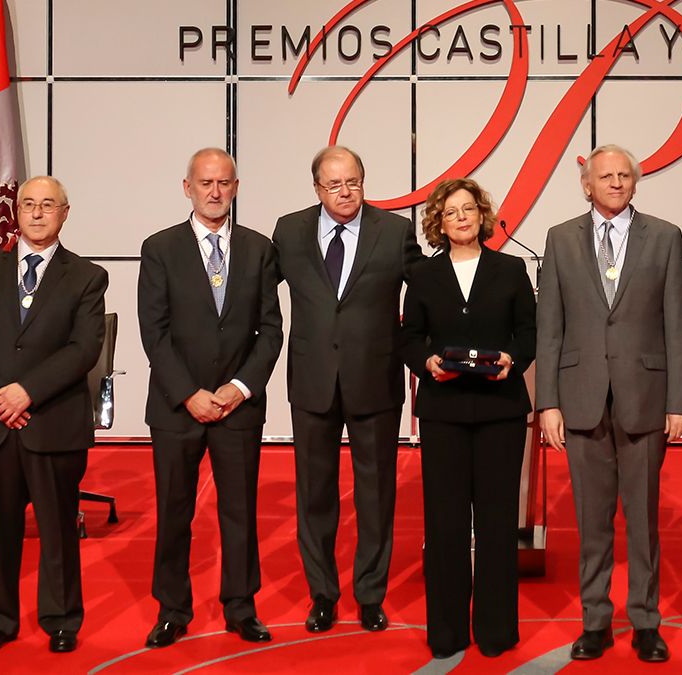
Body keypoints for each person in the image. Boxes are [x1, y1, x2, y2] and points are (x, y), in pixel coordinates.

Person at [536, 144, 682, 663]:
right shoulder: (559, 239)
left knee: (644, 519)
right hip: (580, 399)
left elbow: (677, 326)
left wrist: (680, 400)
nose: (617, 183)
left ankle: (646, 621)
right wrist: (548, 403)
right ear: (587, 184)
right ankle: (595, 620)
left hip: (645, 398)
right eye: (606, 176)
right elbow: (550, 329)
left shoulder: (666, 237)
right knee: (591, 519)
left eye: (625, 175)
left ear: (635, 182)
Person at [0, 176, 108, 655]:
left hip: (53, 420)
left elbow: (84, 348)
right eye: (28, 204)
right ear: (15, 212)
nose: (37, 213)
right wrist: (0, 394)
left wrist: (27, 392)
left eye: (48, 205)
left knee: (58, 527)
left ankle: (61, 619)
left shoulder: (86, 276)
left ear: (65, 213)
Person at [273, 145, 423, 633]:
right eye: (334, 184)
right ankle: (322, 594)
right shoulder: (289, 231)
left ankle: (370, 594)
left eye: (353, 181)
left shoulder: (395, 231)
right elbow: (254, 292)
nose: (345, 192)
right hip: (312, 380)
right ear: (316, 187)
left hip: (375, 381)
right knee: (314, 494)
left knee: (376, 494)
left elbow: (426, 295)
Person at [137, 148, 283, 648]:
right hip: (178, 408)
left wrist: (240, 388)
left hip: (238, 407)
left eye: (224, 182)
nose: (215, 191)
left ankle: (241, 606)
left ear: (236, 188)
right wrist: (189, 394)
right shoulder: (159, 248)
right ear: (188, 188)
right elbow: (153, 333)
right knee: (175, 511)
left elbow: (270, 332)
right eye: (205, 183)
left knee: (239, 512)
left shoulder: (260, 249)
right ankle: (172, 609)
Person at [400, 178, 536, 659]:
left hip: (500, 410)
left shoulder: (511, 269)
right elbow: (410, 337)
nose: (460, 217)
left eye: (468, 209)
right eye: (450, 211)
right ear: (438, 222)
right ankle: (448, 631)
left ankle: (497, 631)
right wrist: (427, 363)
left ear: (482, 216)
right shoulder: (423, 276)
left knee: (498, 524)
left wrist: (512, 359)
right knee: (445, 524)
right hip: (444, 412)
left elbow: (528, 332)